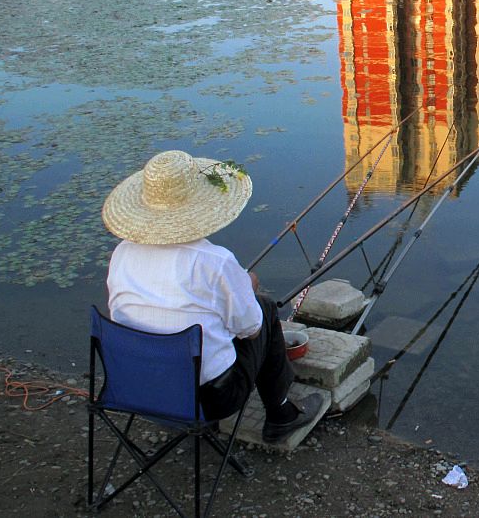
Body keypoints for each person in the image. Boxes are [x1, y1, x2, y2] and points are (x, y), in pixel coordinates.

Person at [102, 150, 325, 443]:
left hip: (136, 390)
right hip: (208, 401)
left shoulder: (122, 253)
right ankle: (281, 414)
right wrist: (247, 288)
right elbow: (251, 329)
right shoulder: (215, 261)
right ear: (201, 206)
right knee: (266, 310)